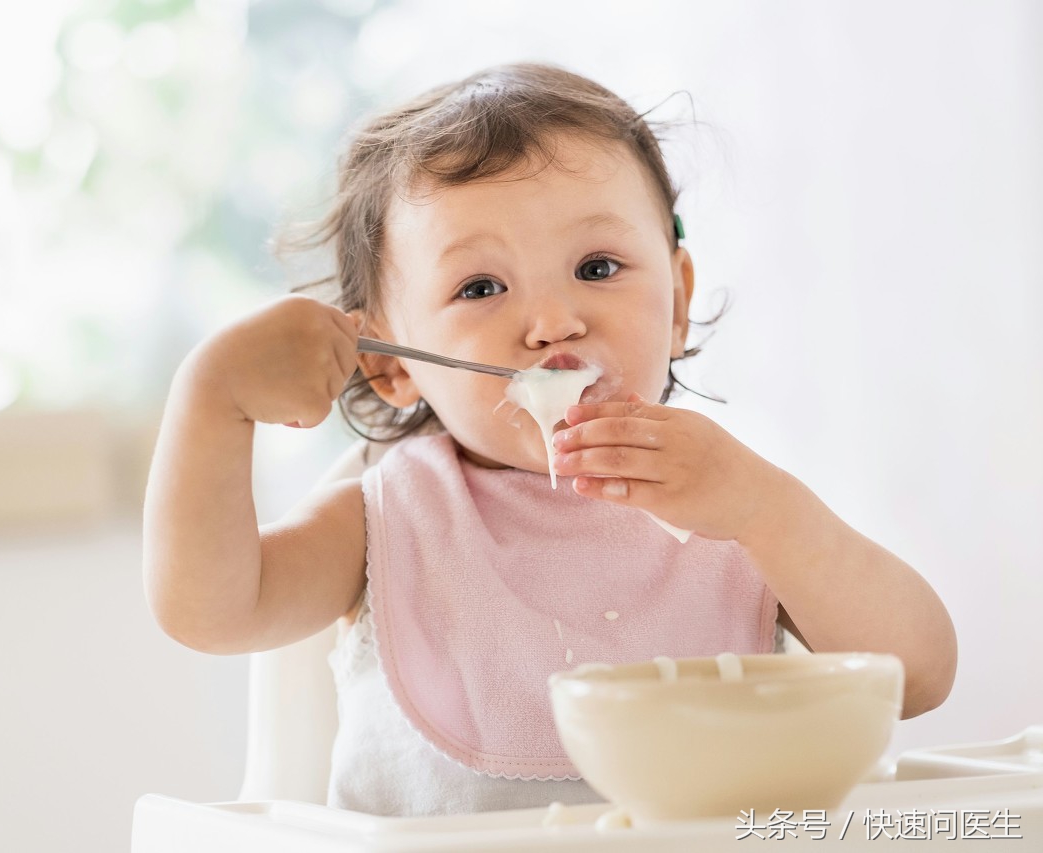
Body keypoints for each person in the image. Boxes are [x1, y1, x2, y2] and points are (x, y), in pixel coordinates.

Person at [143, 62, 957, 817]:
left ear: (676, 302)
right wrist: (212, 400)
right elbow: (212, 609)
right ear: (392, 367)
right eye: (481, 286)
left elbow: (917, 675)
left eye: (597, 267)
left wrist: (764, 510)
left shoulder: (732, 502)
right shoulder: (390, 519)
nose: (552, 323)